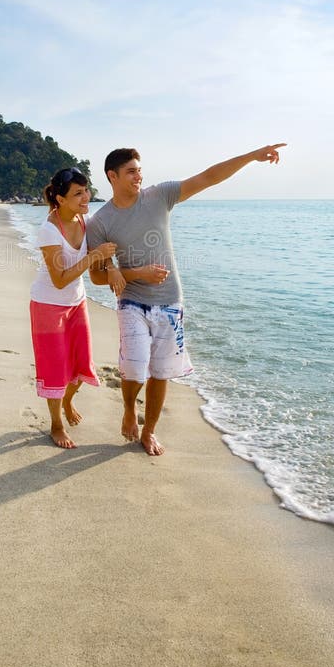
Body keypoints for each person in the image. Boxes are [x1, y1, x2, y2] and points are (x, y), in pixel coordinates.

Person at [87, 144, 286, 456]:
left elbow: (208, 177)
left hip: (170, 302)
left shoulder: (159, 196)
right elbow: (98, 276)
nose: (139, 176)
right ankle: (128, 409)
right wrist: (133, 272)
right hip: (132, 302)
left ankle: (149, 431)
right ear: (112, 176)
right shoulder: (100, 222)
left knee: (161, 371)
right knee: (135, 367)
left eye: (140, 169)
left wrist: (250, 156)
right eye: (131, 171)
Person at [29, 166, 124, 449]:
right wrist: (94, 255)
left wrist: (112, 267)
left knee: (83, 363)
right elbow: (59, 280)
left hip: (76, 303)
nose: (86, 197)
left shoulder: (86, 222)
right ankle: (56, 424)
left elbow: (100, 260)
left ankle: (68, 400)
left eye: (87, 191)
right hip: (48, 305)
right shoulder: (49, 231)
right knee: (55, 368)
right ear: (60, 199)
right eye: (78, 193)